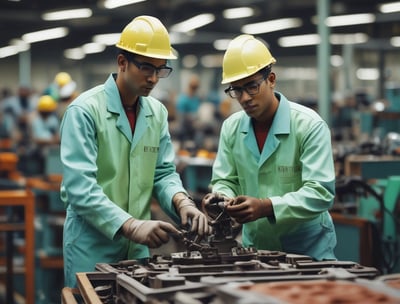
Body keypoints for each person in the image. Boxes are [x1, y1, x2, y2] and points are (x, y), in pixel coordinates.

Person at [60, 15, 210, 288]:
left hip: (138, 250)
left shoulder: (157, 113)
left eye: (161, 70)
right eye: (146, 68)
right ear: (122, 62)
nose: (153, 78)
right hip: (92, 246)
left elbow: (163, 173)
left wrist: (183, 202)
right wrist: (130, 225)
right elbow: (79, 187)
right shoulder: (84, 111)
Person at [202, 34, 337, 260]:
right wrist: (222, 199)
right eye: (236, 90)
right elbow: (225, 179)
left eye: (252, 87)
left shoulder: (309, 125)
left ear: (271, 79)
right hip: (255, 250)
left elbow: (320, 193)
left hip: (308, 251)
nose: (244, 98)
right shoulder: (231, 128)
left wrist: (267, 206)